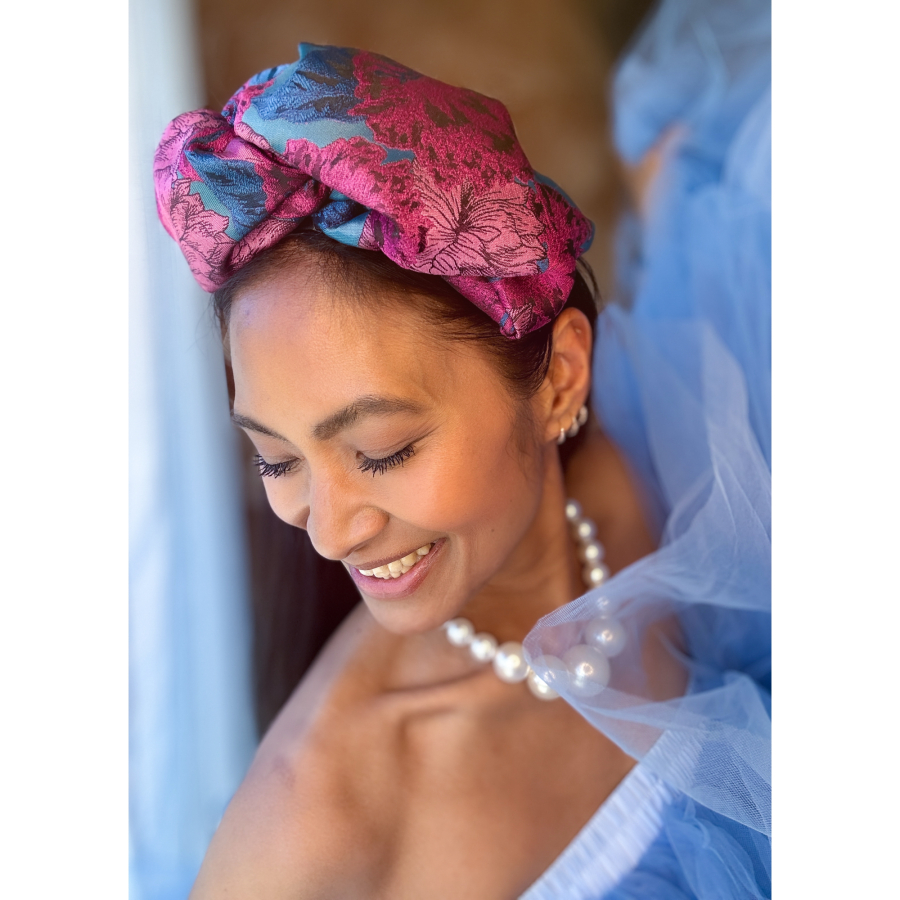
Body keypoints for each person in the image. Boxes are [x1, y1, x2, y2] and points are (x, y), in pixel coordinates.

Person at [153, 1, 771, 895]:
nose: (329, 532)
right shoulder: (310, 829)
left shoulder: (693, 466)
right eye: (276, 459)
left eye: (382, 449)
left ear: (559, 379)